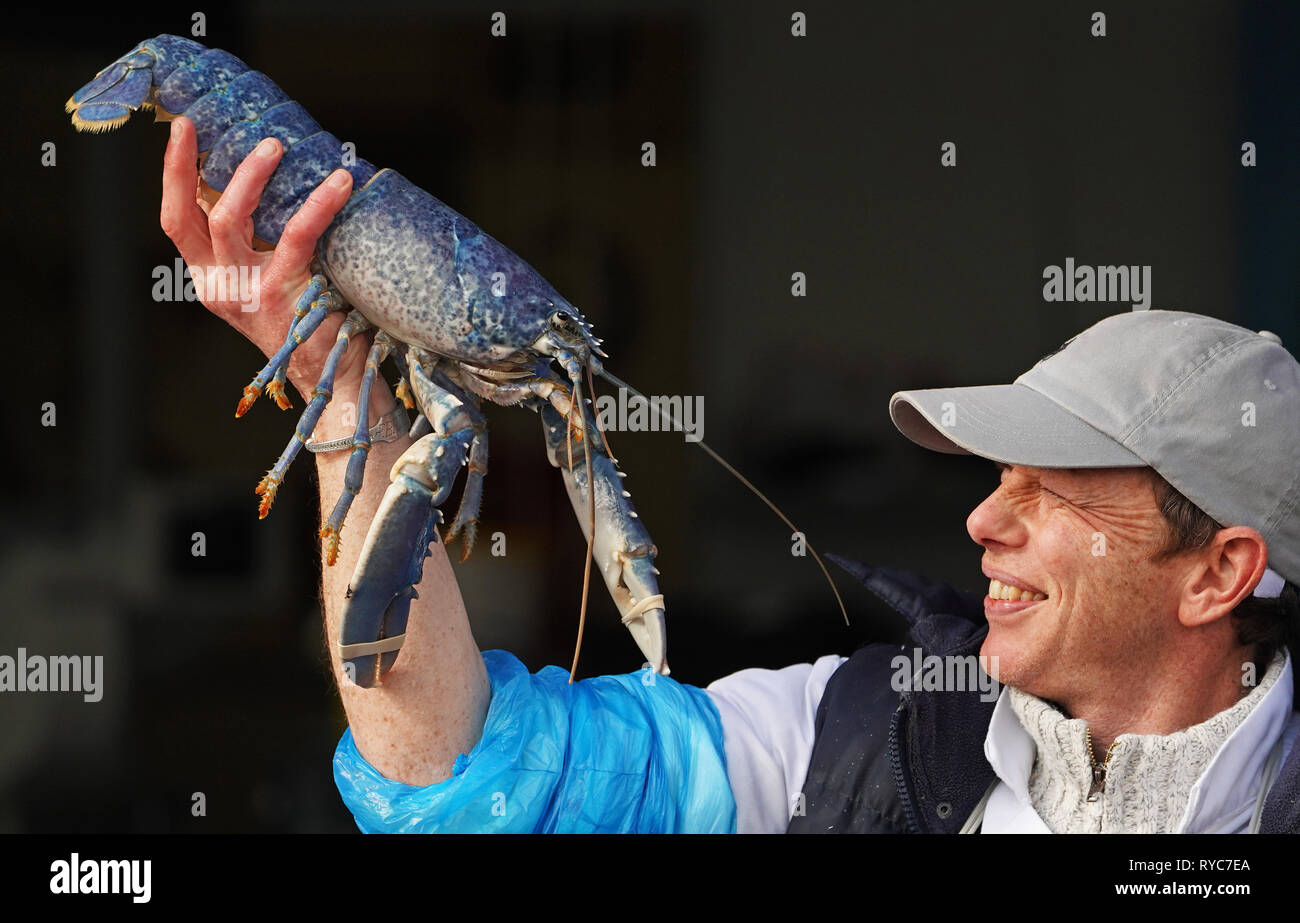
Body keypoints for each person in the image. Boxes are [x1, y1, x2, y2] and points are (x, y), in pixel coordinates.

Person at [161, 117, 1300, 834]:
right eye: (999, 473)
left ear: (1217, 574)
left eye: (1051, 490)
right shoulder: (850, 738)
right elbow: (467, 786)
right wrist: (339, 387)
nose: (983, 517)